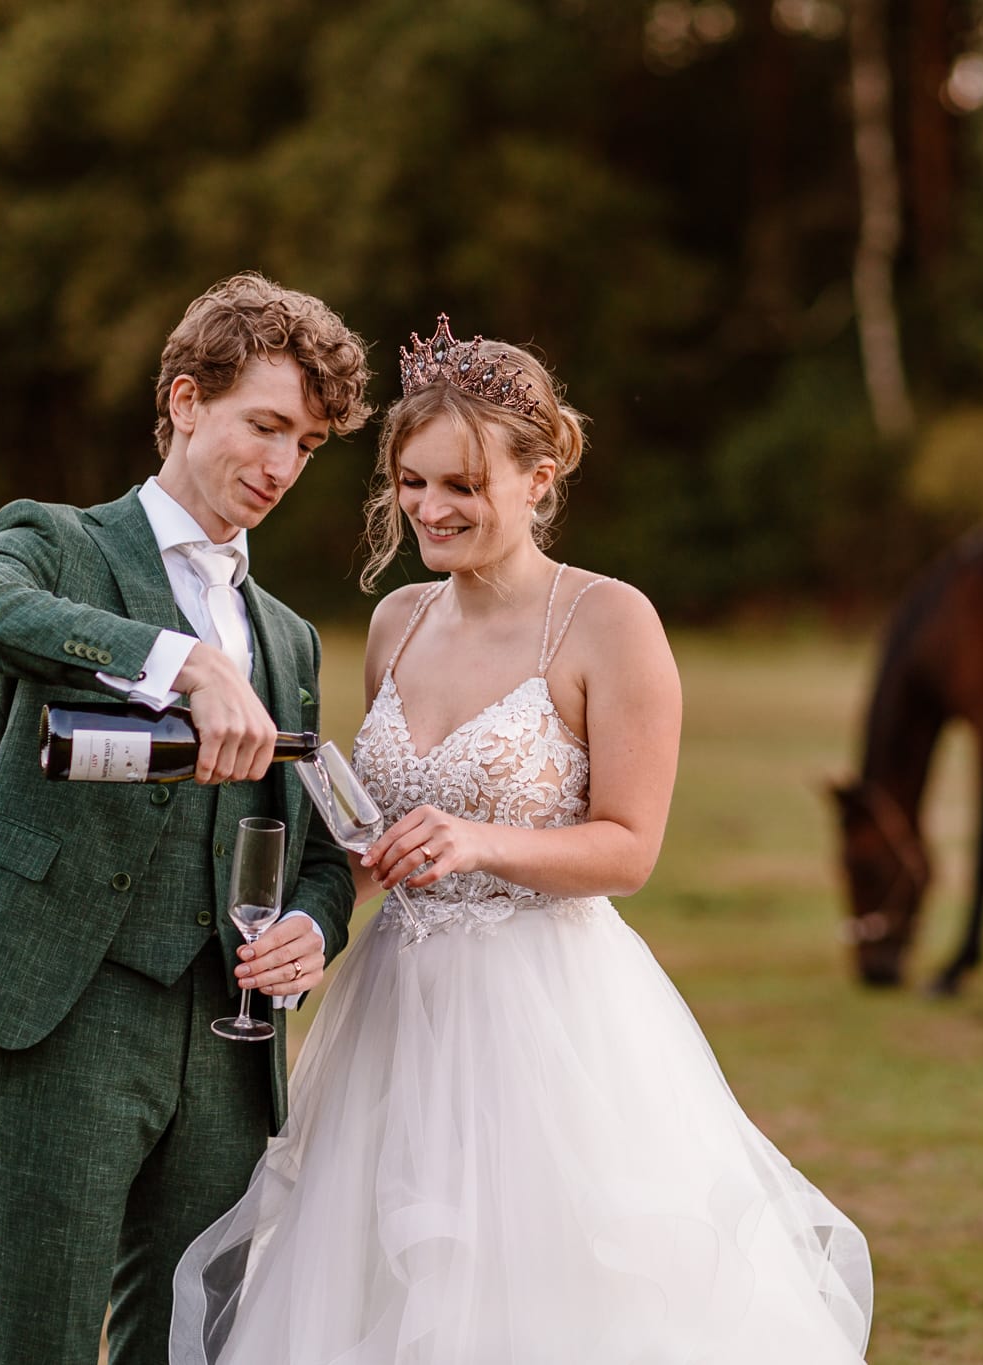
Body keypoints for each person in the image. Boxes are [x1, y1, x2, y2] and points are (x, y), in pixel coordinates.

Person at [170, 317, 873, 1363]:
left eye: (460, 485)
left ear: (538, 479)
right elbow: (376, 842)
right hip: (394, 1019)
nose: (429, 510)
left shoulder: (608, 622)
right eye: (411, 484)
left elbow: (628, 850)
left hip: (544, 1022)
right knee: (385, 1286)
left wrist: (479, 841)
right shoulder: (399, 622)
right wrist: (324, 920)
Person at [0, 273, 372, 1364]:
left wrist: (315, 929)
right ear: (187, 401)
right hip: (69, 1009)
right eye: (265, 426)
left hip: (230, 1036)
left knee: (193, 1341)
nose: (283, 466)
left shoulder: (288, 637)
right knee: (45, 1339)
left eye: (309, 444)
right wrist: (178, 661)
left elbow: (320, 850)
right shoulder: (60, 543)